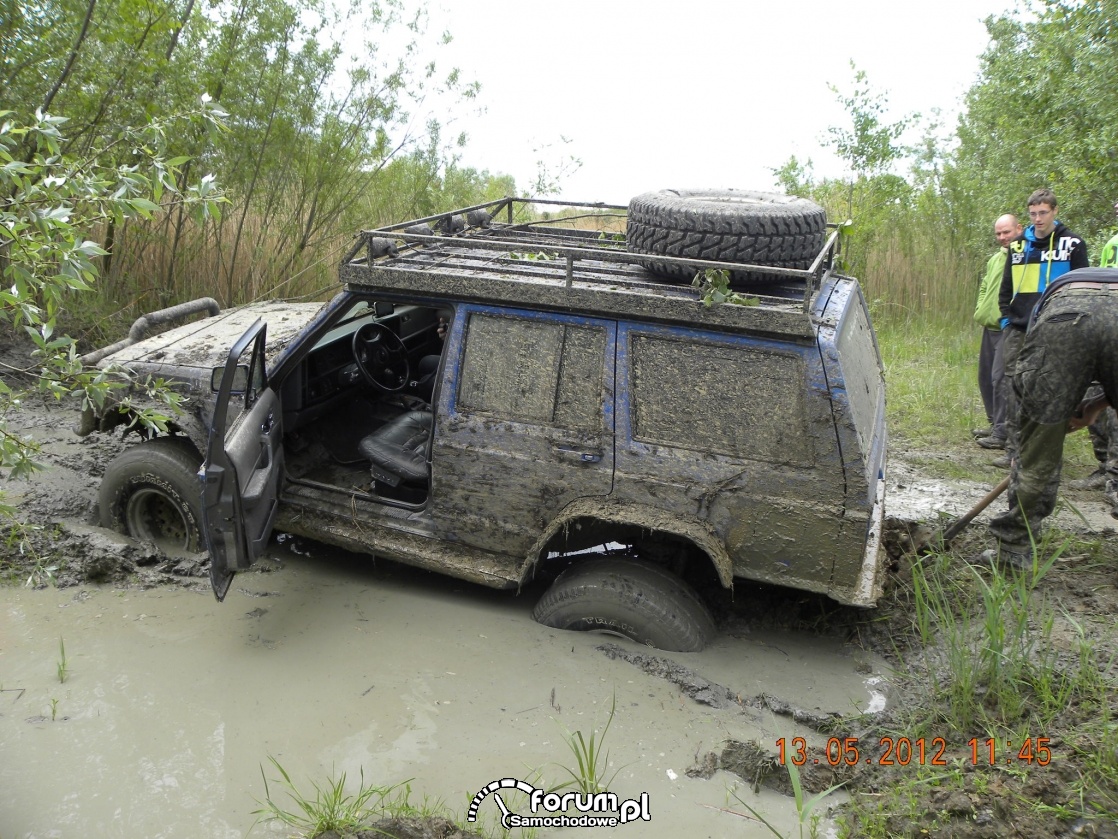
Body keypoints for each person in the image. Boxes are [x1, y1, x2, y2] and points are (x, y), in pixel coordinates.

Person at [981, 267, 1118, 569]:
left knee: (1037, 450)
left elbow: (1032, 395)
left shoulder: (1056, 295)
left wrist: (1035, 436)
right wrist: (1096, 404)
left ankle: (1015, 551)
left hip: (1063, 315)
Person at [994, 189, 1089, 469]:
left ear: (1055, 211)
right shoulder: (1018, 246)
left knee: (1049, 388)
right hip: (1019, 327)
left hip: (1055, 327)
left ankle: (1045, 452)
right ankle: (1013, 449)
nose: (1038, 219)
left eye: (1043, 213)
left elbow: (1080, 287)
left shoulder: (1073, 244)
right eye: (1033, 214)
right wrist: (1006, 319)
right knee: (1012, 386)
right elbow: (1006, 289)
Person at [1069, 199, 1118, 493]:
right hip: (1108, 326)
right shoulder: (1112, 243)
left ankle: (1114, 474)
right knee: (1094, 393)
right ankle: (1103, 466)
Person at [972, 214, 1021, 449]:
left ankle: (1002, 432)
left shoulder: (1024, 257)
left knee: (1000, 378)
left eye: (1006, 232)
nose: (1002, 237)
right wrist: (981, 308)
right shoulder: (994, 260)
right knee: (986, 378)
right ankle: (994, 424)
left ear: (1018, 229)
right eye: (999, 233)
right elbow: (984, 286)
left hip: (1008, 327)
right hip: (988, 325)